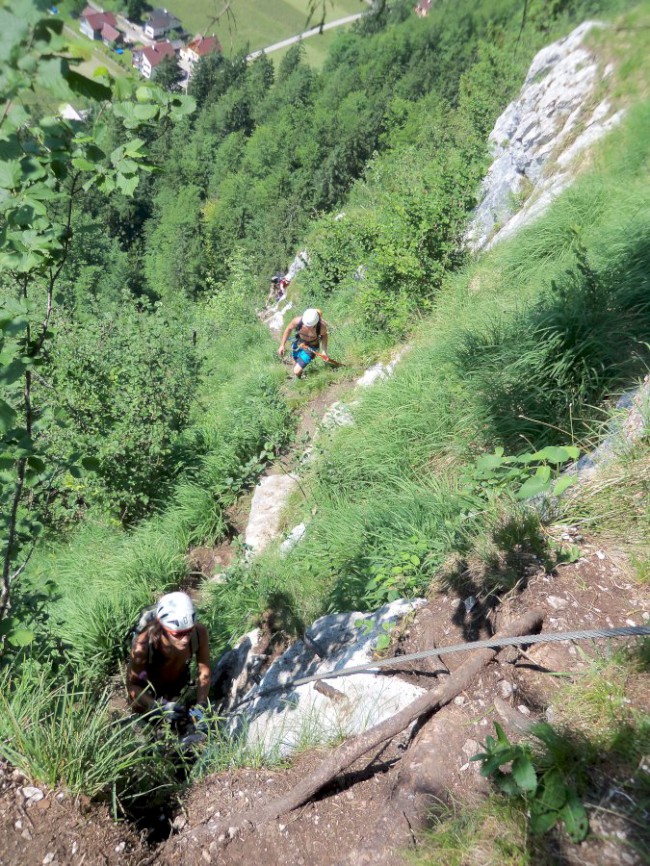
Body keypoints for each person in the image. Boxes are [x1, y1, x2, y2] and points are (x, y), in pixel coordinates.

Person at [127, 592, 211, 732]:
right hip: (148, 699)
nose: (185, 640)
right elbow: (133, 687)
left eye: (188, 631)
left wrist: (201, 706)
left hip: (176, 688)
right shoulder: (143, 645)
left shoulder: (199, 633)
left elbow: (204, 671)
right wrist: (157, 708)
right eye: (178, 634)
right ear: (163, 628)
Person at [278, 307, 328, 378]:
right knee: (296, 363)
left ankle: (299, 378)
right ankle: (300, 377)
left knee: (296, 370)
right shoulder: (297, 321)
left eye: (310, 326)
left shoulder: (321, 327)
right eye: (306, 325)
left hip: (311, 348)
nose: (307, 327)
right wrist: (282, 345)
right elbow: (288, 329)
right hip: (298, 344)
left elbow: (324, 336)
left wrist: (324, 351)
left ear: (315, 323)